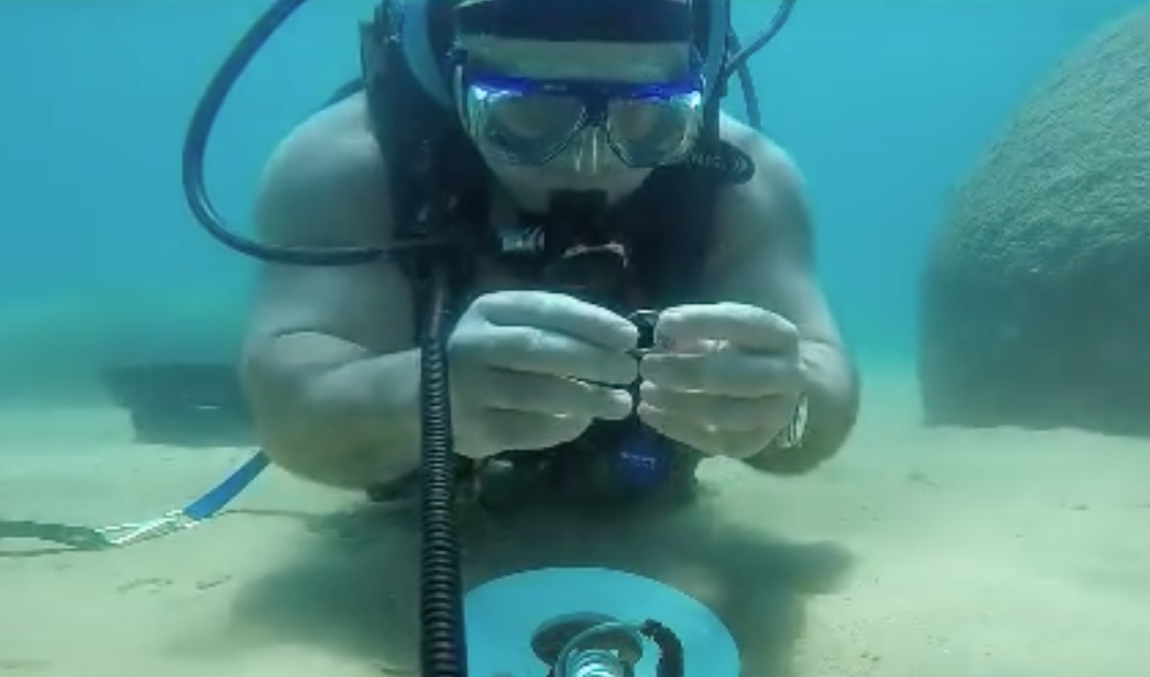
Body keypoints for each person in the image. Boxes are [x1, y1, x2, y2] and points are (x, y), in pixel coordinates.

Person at [239, 0, 858, 509]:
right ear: (447, 81)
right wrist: (429, 398)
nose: (588, 163)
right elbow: (287, 411)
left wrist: (786, 409)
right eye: (528, 113)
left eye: (647, 117)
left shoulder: (745, 185)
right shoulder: (346, 170)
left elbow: (825, 388)